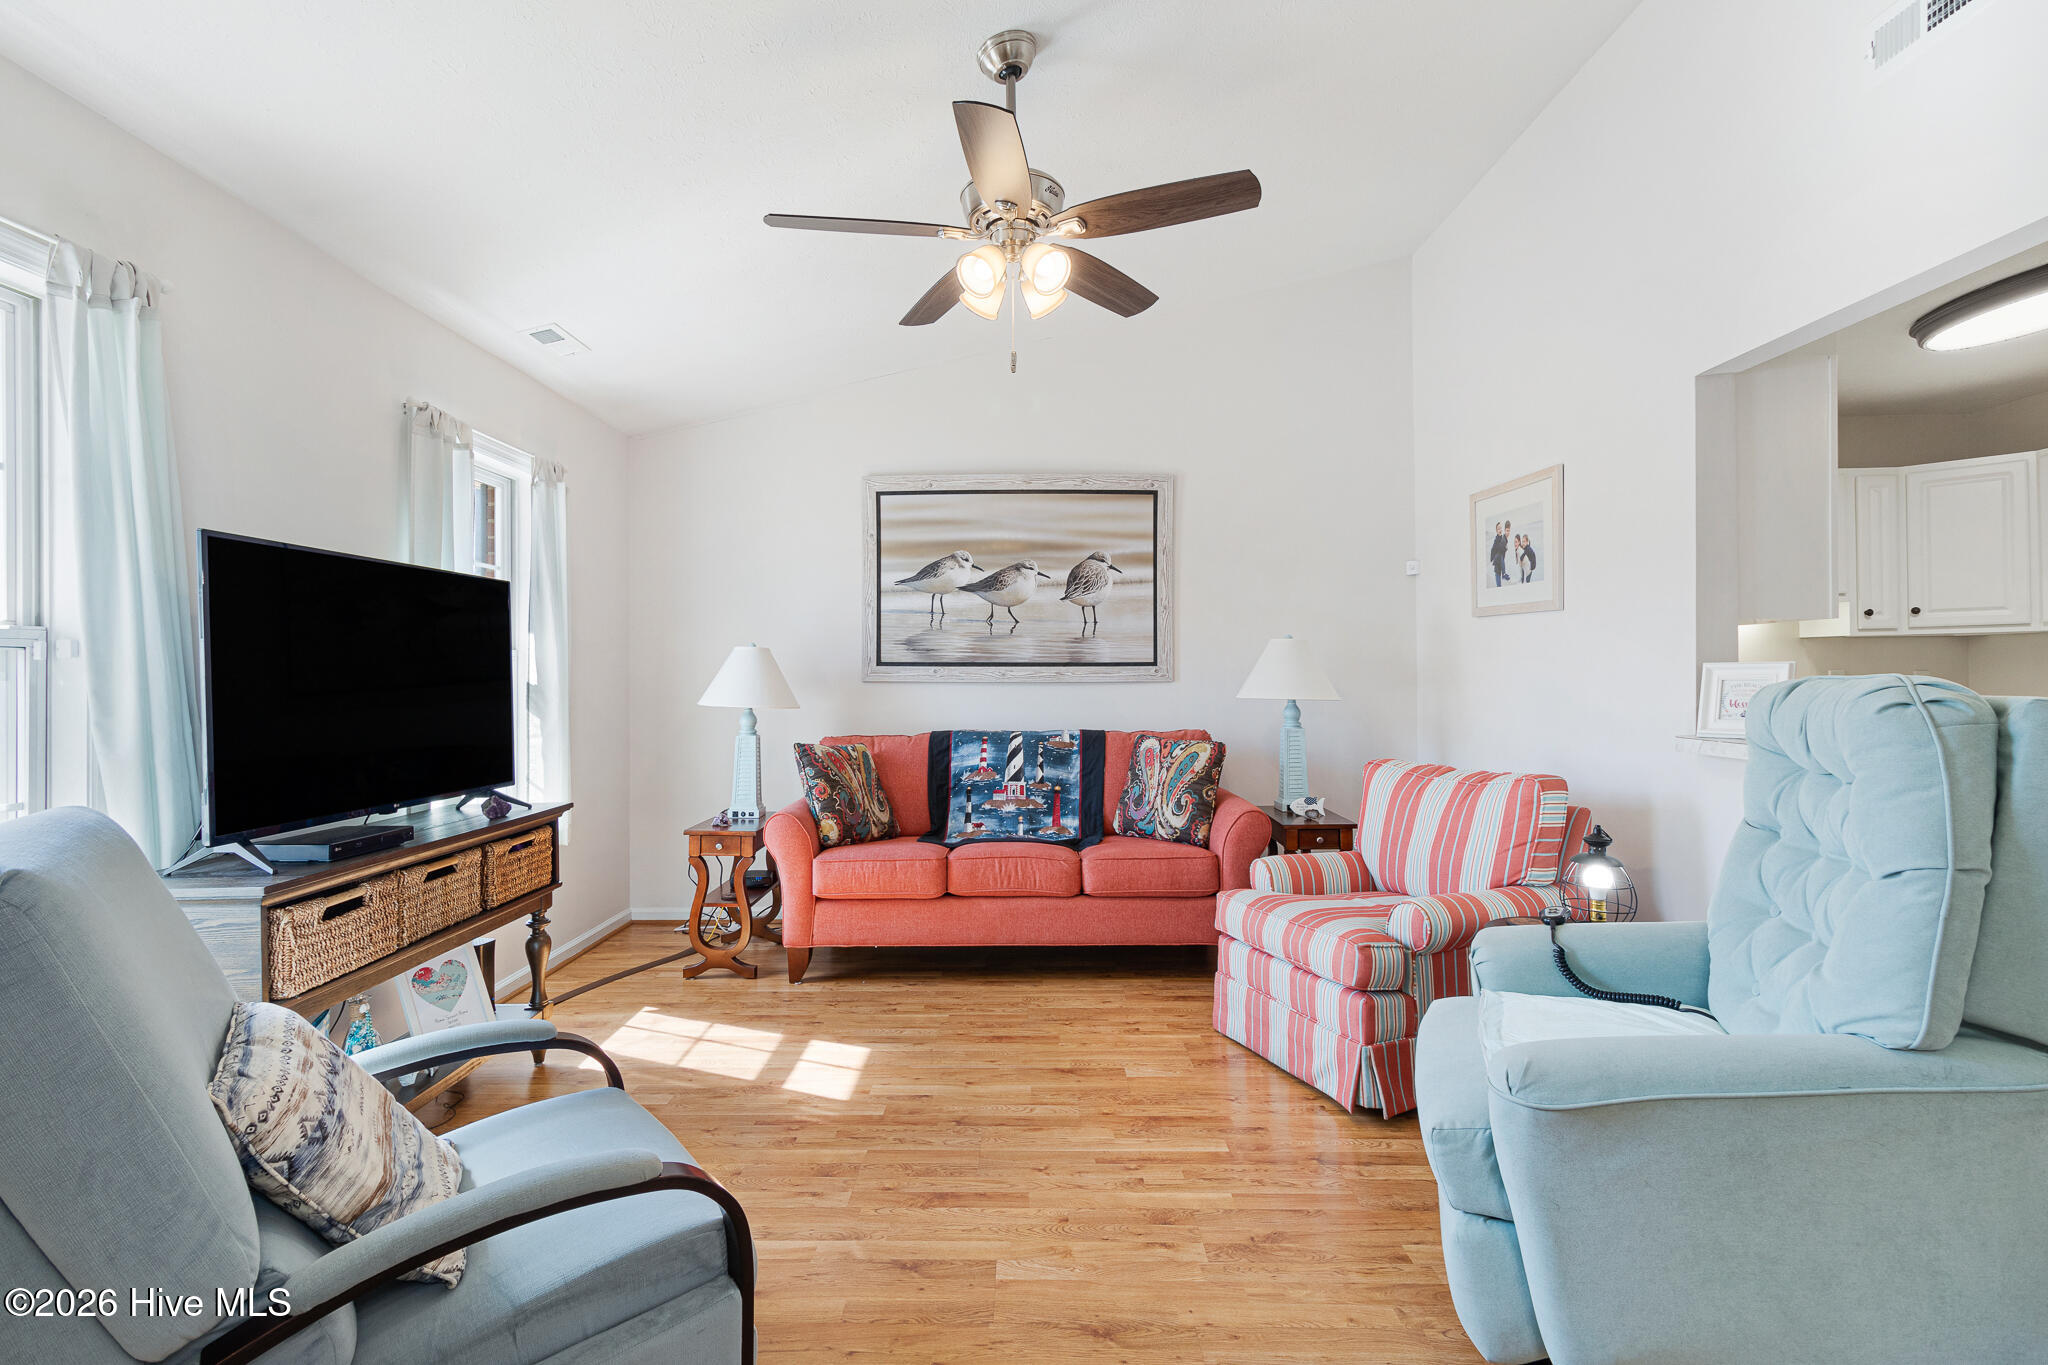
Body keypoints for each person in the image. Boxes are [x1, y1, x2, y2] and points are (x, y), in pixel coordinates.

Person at [1489, 521, 1509, 587]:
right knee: (1498, 583)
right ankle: (1503, 574)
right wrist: (1492, 559)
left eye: (1500, 528)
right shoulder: (1497, 539)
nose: (1500, 530)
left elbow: (1502, 548)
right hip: (1497, 562)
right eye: (1498, 529)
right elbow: (1494, 549)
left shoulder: (1502, 538)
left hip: (1500, 561)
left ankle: (1503, 574)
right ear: (1496, 531)